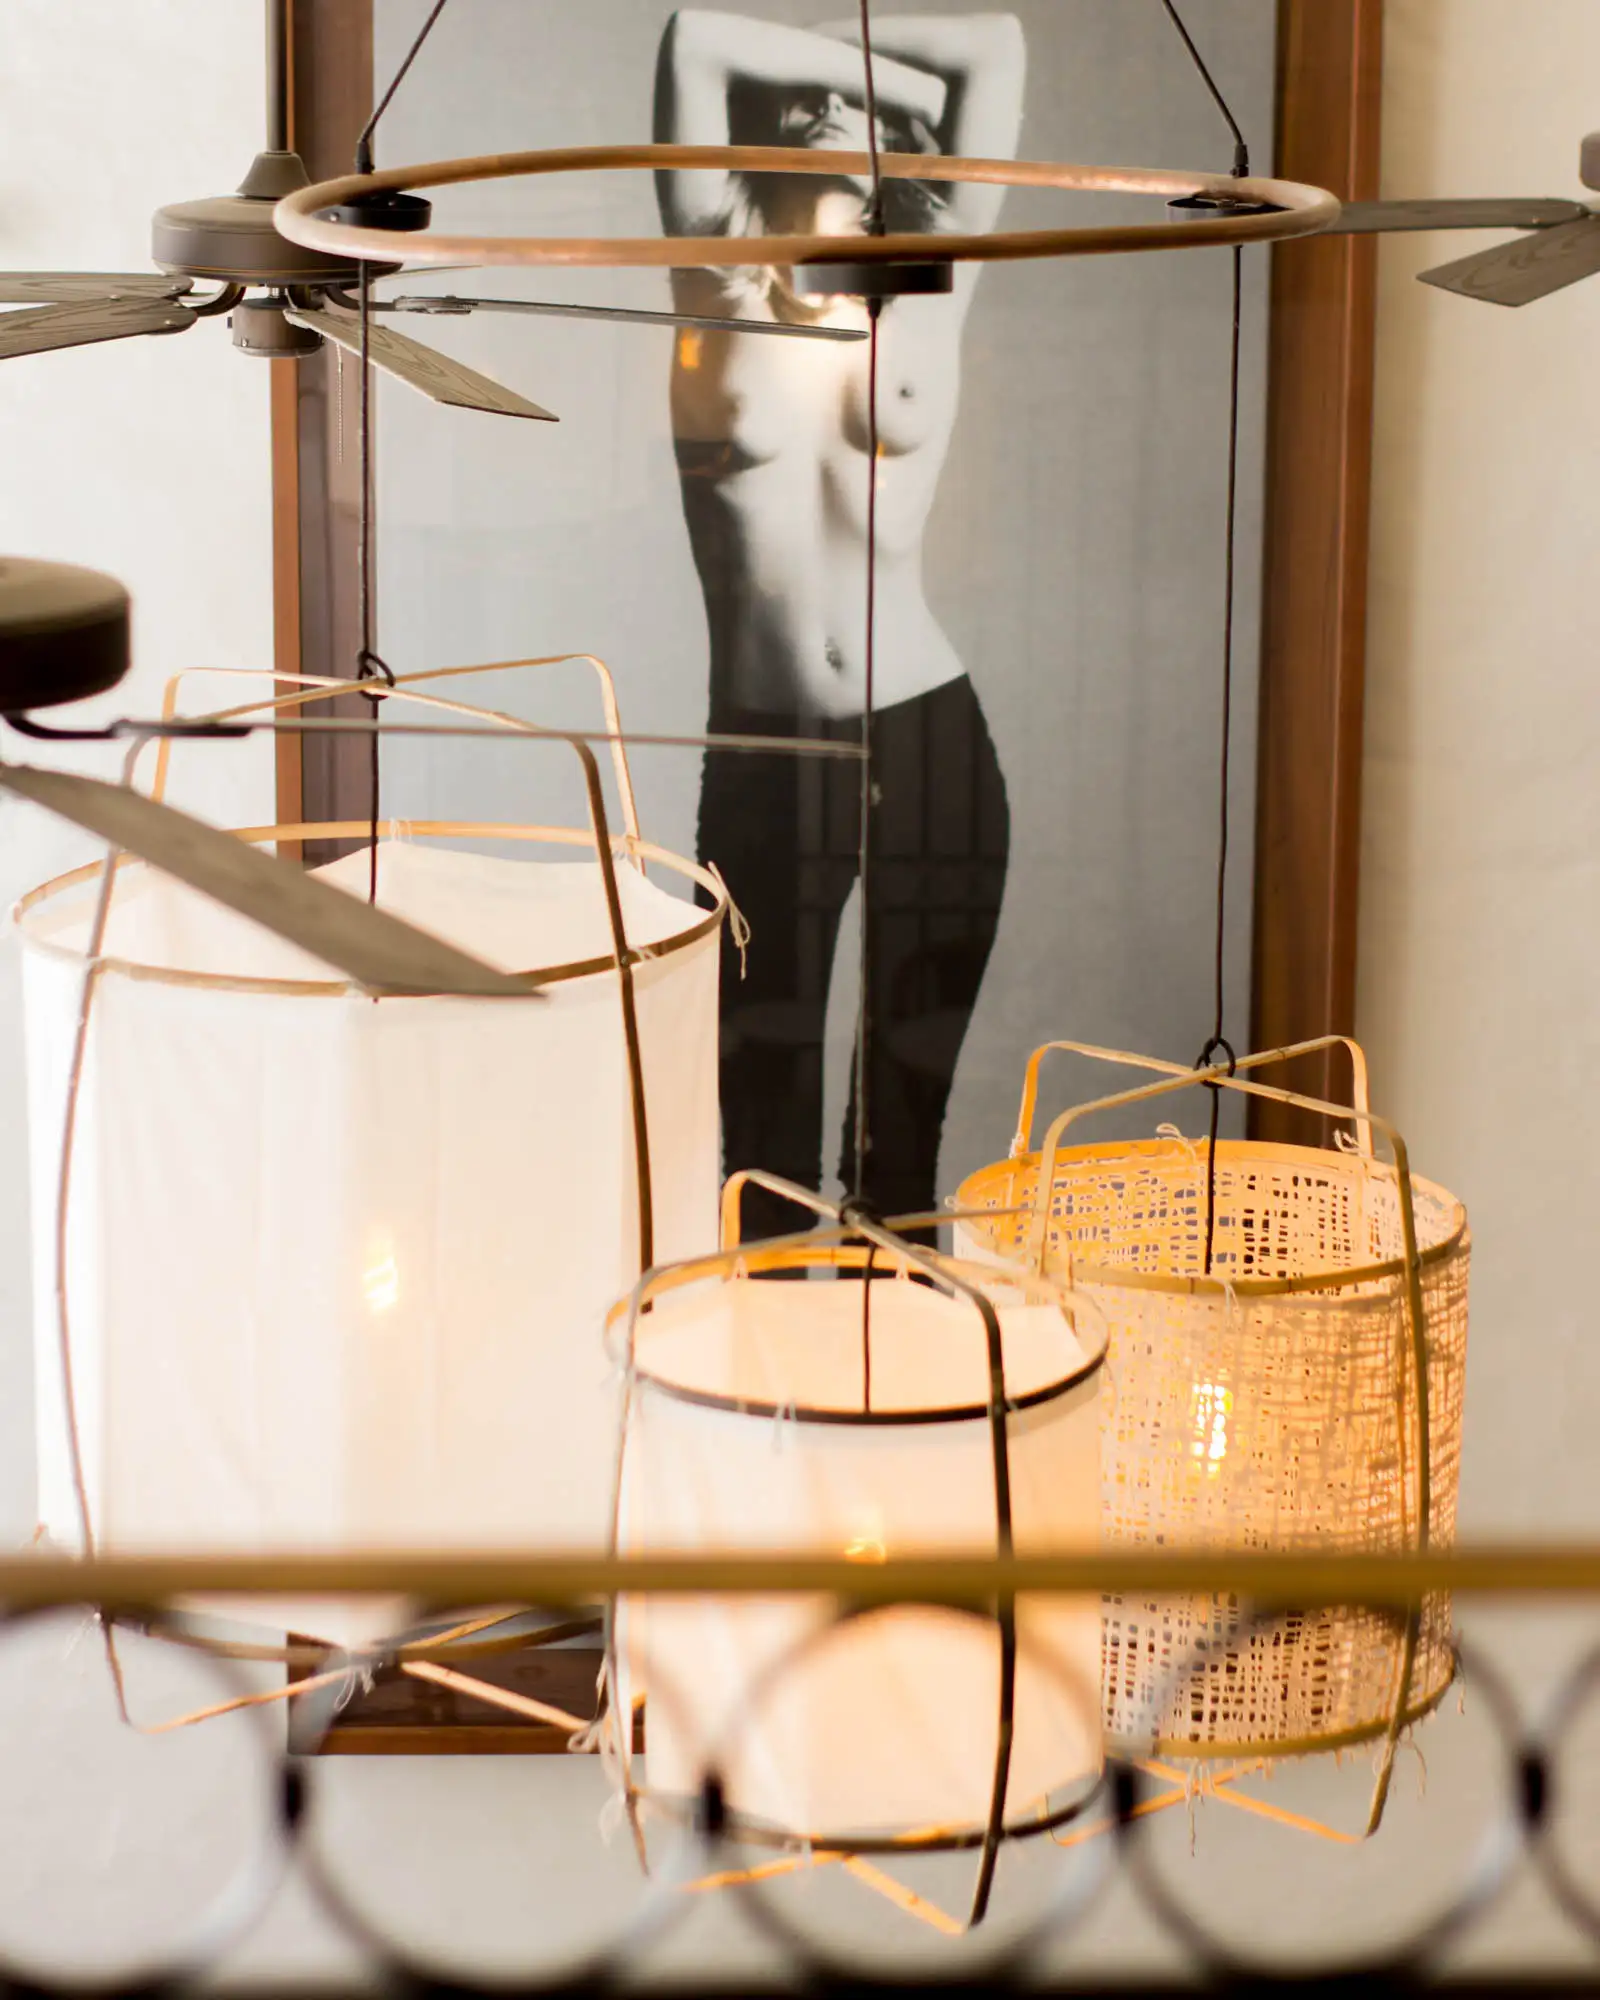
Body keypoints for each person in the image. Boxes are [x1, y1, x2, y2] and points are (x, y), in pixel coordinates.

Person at [655, 8, 1025, 1236]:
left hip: (930, 741)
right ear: (757, 134)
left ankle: (899, 1356)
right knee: (757, 1158)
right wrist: (877, 84)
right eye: (803, 100)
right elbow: (694, 39)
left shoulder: (931, 286)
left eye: (858, 108)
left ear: (898, 146)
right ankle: (761, 1365)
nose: (828, 110)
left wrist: (851, 84)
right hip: (766, 756)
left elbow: (999, 46)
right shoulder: (712, 278)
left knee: (900, 1163)